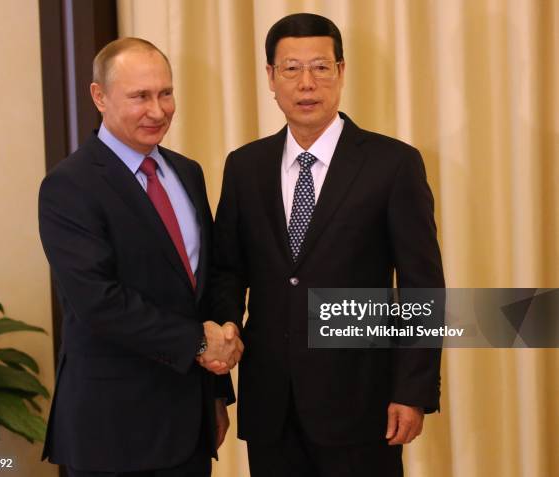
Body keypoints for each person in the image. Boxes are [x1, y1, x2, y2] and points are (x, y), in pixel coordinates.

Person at [212, 13, 444, 477]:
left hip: (363, 403)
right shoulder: (245, 166)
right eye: (291, 69)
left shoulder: (392, 164)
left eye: (320, 67)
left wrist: (412, 391)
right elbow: (227, 270)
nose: (306, 84)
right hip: (272, 405)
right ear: (271, 78)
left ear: (340, 71)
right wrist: (223, 329)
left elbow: (422, 286)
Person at [38, 37, 242, 477]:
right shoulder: (68, 186)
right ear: (99, 96)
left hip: (189, 424)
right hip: (113, 432)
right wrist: (199, 342)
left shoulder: (187, 172)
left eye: (165, 93)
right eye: (140, 96)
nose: (158, 109)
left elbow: (200, 290)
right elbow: (98, 302)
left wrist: (216, 393)